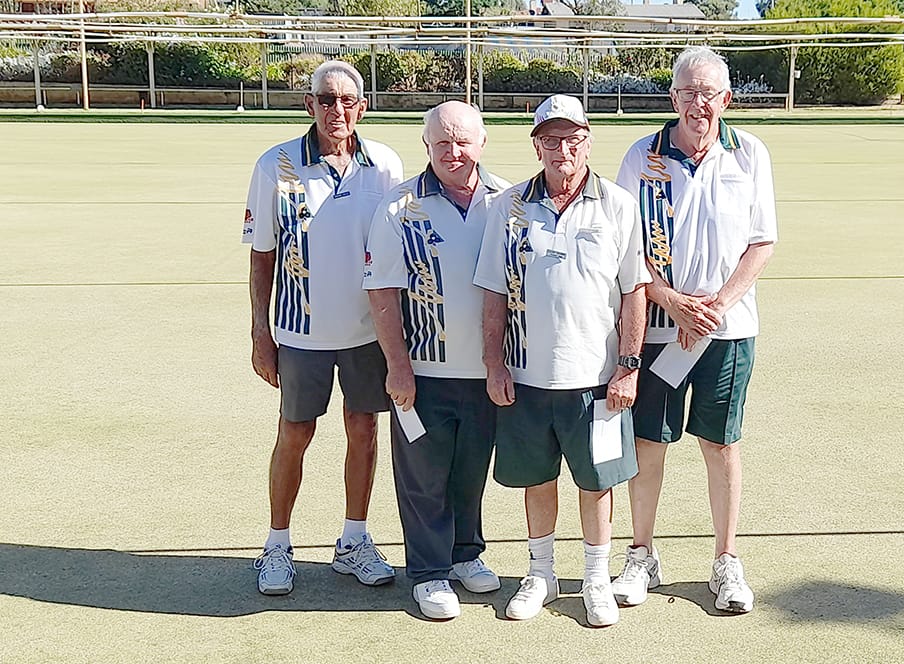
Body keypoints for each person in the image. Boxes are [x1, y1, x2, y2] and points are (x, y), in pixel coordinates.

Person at [611, 46, 777, 614]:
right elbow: (626, 247)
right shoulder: (642, 155)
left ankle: (726, 561)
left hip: (727, 332)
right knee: (649, 443)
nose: (698, 104)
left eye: (708, 94)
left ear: (726, 99)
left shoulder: (750, 153)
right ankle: (641, 555)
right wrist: (673, 303)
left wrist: (718, 305)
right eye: (687, 92)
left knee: (720, 443)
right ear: (673, 97)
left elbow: (761, 241)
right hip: (657, 330)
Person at [474, 94, 649, 628]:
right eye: (550, 139)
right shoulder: (508, 206)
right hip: (526, 376)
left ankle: (596, 578)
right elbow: (493, 291)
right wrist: (494, 363)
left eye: (572, 138)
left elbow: (635, 291)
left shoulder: (618, 203)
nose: (562, 149)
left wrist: (628, 365)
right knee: (537, 477)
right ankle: (541, 571)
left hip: (597, 380)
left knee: (597, 482)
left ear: (587, 141)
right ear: (536, 145)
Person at [243, 60, 403, 596]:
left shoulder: (384, 166)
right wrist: (260, 334)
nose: (337, 110)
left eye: (347, 101)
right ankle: (276, 545)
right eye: (326, 99)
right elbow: (262, 257)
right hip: (299, 333)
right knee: (296, 433)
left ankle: (353, 541)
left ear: (362, 106)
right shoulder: (276, 164)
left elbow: (395, 252)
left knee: (363, 430)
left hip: (366, 334)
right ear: (309, 104)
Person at [364, 101, 509, 620]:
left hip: (490, 372)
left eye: (463, 140)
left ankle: (465, 555)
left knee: (471, 471)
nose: (453, 151)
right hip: (424, 372)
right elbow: (381, 290)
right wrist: (397, 365)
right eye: (442, 142)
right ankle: (428, 573)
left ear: (482, 142)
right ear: (426, 146)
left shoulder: (507, 200)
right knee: (424, 476)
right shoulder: (400, 205)